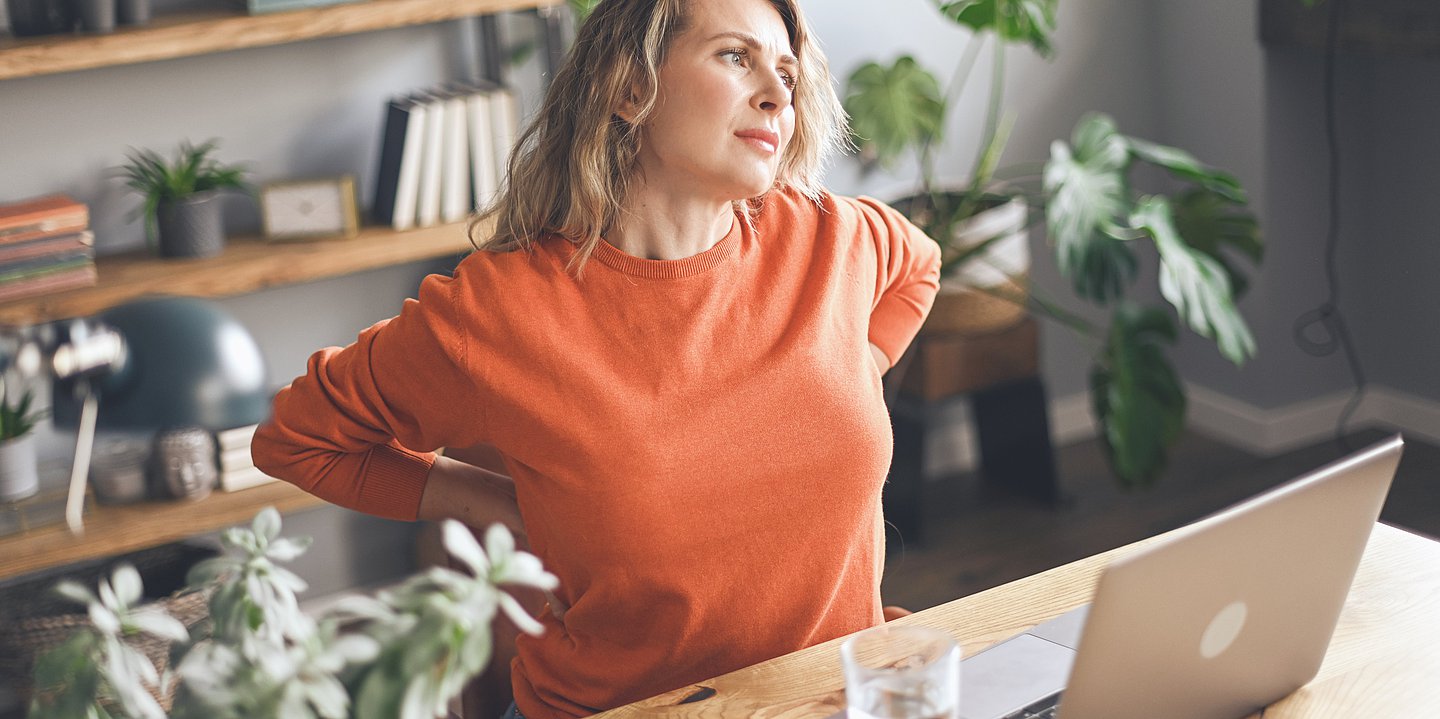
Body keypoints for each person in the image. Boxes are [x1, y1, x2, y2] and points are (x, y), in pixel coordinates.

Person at [251, 0, 941, 716]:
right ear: (629, 87)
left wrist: (850, 373)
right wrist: (491, 502)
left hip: (835, 698)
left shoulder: (834, 239)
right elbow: (298, 438)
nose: (776, 92)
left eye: (787, 72)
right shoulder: (500, 311)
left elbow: (920, 267)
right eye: (736, 57)